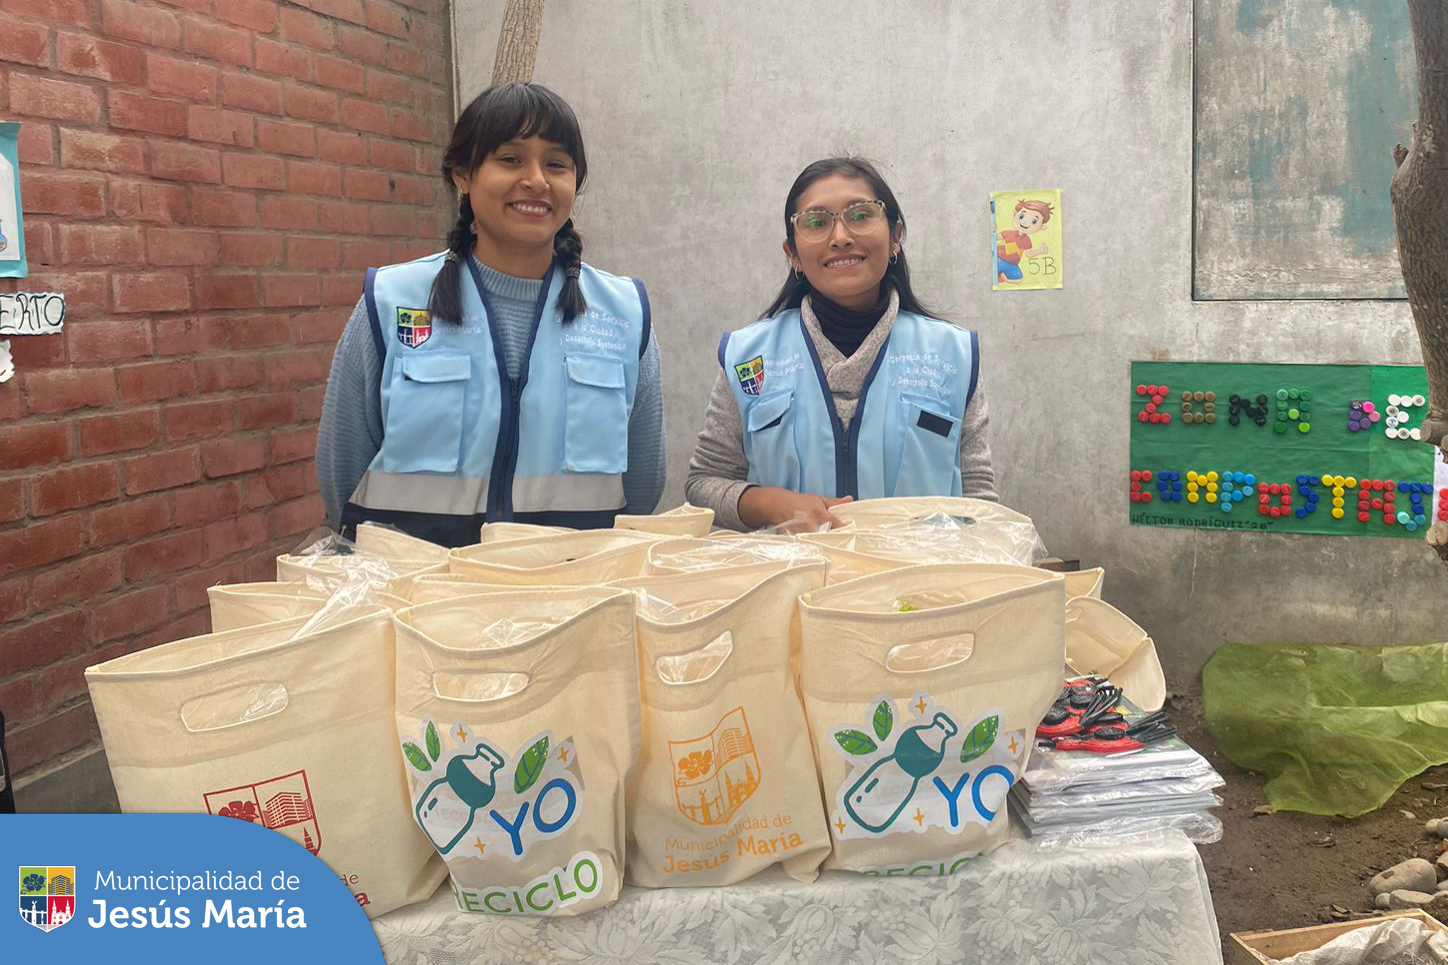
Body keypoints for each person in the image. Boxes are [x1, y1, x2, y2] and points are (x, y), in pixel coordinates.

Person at [317, 83, 665, 546]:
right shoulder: (392, 301)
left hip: (571, 592)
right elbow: (342, 466)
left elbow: (642, 483)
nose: (537, 180)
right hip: (415, 598)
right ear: (462, 174)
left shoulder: (623, 314)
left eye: (557, 164)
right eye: (511, 159)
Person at [686, 157, 996, 531]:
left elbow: (979, 502)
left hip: (918, 585)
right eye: (816, 223)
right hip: (793, 584)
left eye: (861, 215)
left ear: (895, 235)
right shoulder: (748, 357)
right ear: (793, 255)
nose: (840, 237)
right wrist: (769, 503)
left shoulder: (953, 356)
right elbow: (703, 484)